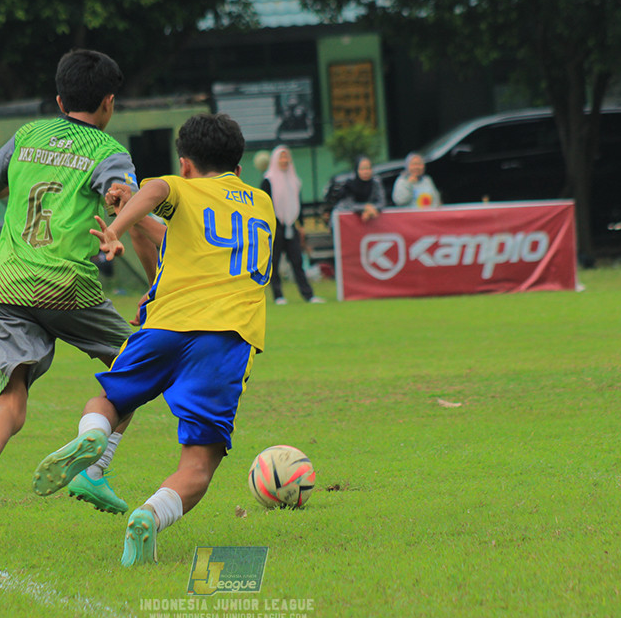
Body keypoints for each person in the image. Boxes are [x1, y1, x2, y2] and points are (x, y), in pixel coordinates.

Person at [30, 113, 274, 566]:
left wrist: (120, 222)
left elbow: (159, 192)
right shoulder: (261, 202)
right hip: (226, 341)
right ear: (238, 170)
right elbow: (194, 237)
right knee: (199, 464)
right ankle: (148, 515)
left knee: (110, 398)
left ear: (184, 165)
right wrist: (133, 214)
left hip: (165, 325)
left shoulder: (178, 187)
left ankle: (94, 440)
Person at [0, 49, 162, 542]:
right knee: (139, 363)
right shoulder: (108, 150)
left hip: (7, 285)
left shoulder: (26, 136)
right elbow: (120, 192)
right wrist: (115, 196)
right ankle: (95, 463)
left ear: (58, 98)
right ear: (109, 103)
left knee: (13, 404)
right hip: (66, 284)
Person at [261, 145, 324, 305]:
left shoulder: (294, 180)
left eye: (286, 157)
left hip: (291, 226)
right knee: (273, 262)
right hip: (275, 226)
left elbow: (298, 204)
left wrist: (300, 224)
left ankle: (308, 295)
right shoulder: (268, 180)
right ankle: (278, 295)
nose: (284, 160)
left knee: (297, 261)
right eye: (281, 157)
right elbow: (264, 205)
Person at [333, 155, 385, 221]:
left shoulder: (376, 182)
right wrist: (365, 208)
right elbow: (348, 205)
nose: (366, 172)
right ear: (357, 170)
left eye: (368, 168)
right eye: (362, 169)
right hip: (344, 220)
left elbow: (382, 202)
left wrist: (371, 210)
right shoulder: (349, 184)